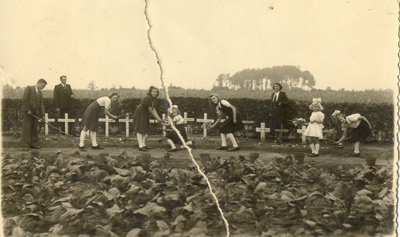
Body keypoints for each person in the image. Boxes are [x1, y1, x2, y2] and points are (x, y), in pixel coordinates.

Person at [132, 86, 164, 151]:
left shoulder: (153, 99)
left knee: (144, 129)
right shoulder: (147, 97)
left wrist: (159, 118)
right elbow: (150, 110)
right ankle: (140, 146)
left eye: (156, 92)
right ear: (150, 91)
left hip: (145, 113)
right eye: (153, 91)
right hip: (140, 113)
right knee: (140, 129)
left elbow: (153, 109)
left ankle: (143, 145)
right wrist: (158, 119)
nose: (155, 93)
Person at [21, 79, 47, 151]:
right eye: (43, 86)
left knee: (34, 128)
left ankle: (33, 143)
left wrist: (42, 115)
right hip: (28, 113)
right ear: (39, 83)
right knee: (26, 128)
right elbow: (24, 99)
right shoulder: (29, 88)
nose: (43, 87)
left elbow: (41, 104)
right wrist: (27, 109)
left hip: (35, 113)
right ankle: (25, 145)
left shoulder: (40, 93)